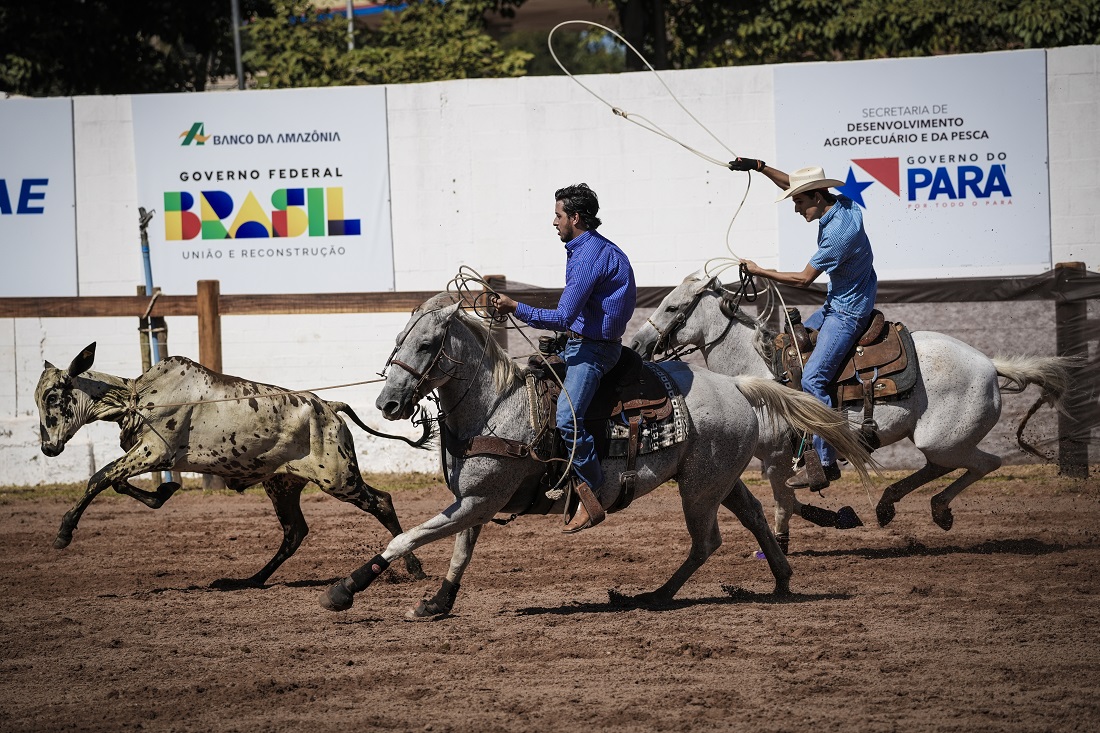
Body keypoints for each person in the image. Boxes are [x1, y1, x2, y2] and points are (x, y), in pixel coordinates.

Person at [494, 183, 637, 533]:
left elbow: (562, 316)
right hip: (583, 343)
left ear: (575, 217)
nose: (553, 221)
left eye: (558, 215)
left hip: (594, 350)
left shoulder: (589, 255)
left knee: (567, 418)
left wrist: (516, 307)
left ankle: (594, 493)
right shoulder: (588, 249)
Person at [730, 159, 878, 491]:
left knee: (813, 379)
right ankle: (802, 433)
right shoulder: (842, 203)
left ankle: (824, 462)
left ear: (816, 196)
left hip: (848, 312)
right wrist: (760, 166)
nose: (796, 209)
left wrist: (759, 270)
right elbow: (792, 184)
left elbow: (802, 278)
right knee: (788, 350)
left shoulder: (840, 234)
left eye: (799, 202)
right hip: (837, 302)